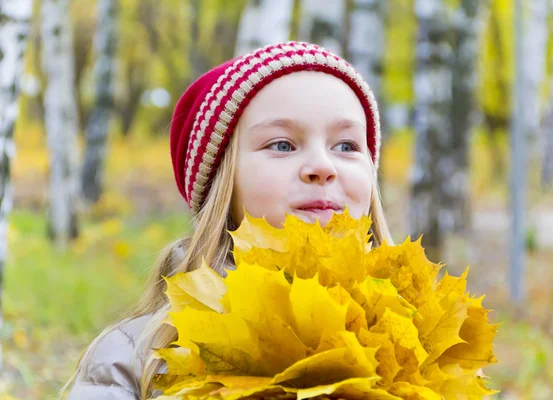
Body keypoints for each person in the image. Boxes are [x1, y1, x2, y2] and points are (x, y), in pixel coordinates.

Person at [63, 41, 393, 400]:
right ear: (222, 182)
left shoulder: (419, 341)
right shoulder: (137, 358)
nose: (323, 167)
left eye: (346, 146)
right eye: (282, 145)